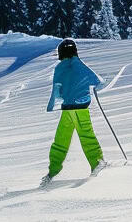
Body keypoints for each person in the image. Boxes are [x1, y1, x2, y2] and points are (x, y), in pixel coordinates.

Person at [40, 39, 108, 186]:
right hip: (81, 108)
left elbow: (56, 90)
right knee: (86, 136)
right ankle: (97, 163)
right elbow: (99, 82)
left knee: (61, 139)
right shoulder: (81, 66)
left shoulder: (59, 69)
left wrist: (52, 105)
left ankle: (53, 171)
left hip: (67, 109)